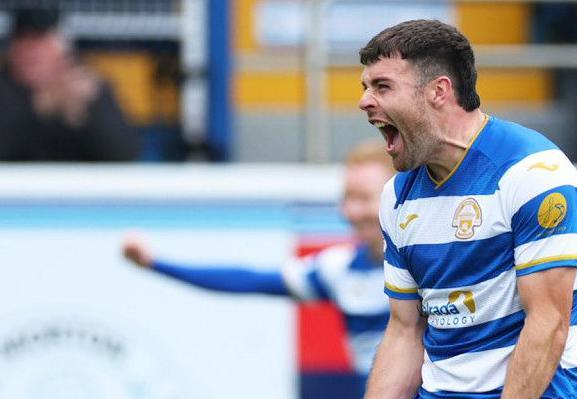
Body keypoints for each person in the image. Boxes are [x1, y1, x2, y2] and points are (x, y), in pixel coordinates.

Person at [313, 20, 577, 399]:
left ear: (439, 91)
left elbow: (549, 321)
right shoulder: (397, 197)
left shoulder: (534, 173)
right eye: (365, 87)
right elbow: (406, 330)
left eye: (382, 86)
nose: (365, 101)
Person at [121, 142, 394, 375]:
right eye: (347, 198)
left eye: (363, 198)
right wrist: (155, 263)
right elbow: (248, 280)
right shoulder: (338, 269)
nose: (351, 211)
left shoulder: (430, 266)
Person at [0, 7, 140, 161]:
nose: (32, 51)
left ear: (62, 48)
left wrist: (87, 117)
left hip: (79, 184)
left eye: (41, 40)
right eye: (24, 41)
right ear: (12, 49)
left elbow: (125, 154)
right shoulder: (5, 90)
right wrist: (40, 106)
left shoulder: (85, 87)